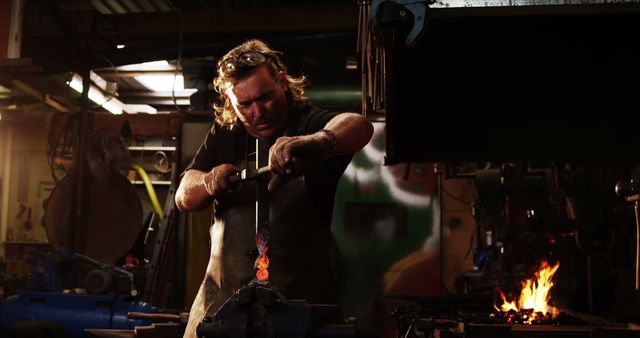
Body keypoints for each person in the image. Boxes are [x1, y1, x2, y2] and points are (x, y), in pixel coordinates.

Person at [175, 39, 373, 338]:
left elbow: (359, 125)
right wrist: (207, 181)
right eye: (245, 104)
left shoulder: (307, 122)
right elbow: (183, 197)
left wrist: (319, 142)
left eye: (265, 97)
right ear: (231, 102)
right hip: (220, 315)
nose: (258, 112)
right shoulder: (224, 136)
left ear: (281, 82)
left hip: (300, 317)